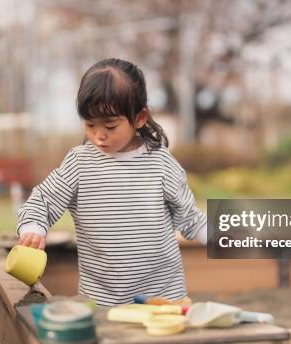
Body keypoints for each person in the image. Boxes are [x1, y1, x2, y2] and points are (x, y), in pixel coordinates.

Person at [16, 58, 206, 306]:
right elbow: (43, 200)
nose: (98, 135)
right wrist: (33, 227)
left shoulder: (160, 163)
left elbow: (190, 218)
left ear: (139, 118)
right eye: (90, 124)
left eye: (110, 125)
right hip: (103, 299)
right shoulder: (79, 163)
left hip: (163, 296)